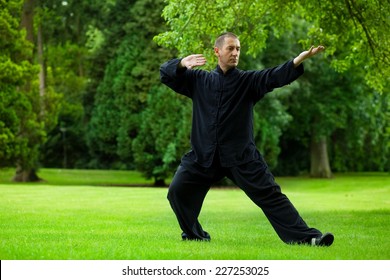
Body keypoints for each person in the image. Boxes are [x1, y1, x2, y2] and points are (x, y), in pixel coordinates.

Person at [160, 32, 334, 246]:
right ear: (217, 51)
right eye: (230, 48)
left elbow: (273, 76)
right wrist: (180, 63)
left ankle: (310, 238)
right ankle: (195, 235)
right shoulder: (199, 80)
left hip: (241, 158)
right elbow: (165, 74)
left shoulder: (248, 81)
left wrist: (298, 60)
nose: (235, 53)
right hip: (203, 157)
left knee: (271, 196)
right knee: (177, 192)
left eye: (238, 49)